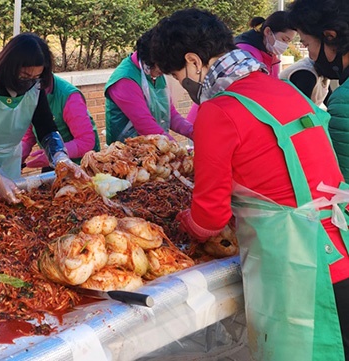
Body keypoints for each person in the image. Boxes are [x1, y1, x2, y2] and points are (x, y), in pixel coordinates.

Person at [151, 8, 349, 360]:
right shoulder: (285, 90)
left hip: (303, 268)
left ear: (195, 62)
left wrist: (180, 222)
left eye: (179, 77)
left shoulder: (219, 111)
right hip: (341, 245)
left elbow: (208, 218)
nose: (184, 87)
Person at [0, 33, 89, 204]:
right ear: (9, 68)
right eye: (24, 77)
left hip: (9, 163)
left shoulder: (35, 86)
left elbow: (46, 128)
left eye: (35, 78)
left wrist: (61, 158)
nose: (28, 84)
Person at [288, 0, 349, 181]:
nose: (310, 56)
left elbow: (342, 183)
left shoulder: (343, 100)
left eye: (307, 45)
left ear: (331, 37)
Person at [20, 37, 100, 171]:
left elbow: (86, 141)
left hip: (82, 166)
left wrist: (54, 153)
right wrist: (18, 157)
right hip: (52, 162)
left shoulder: (69, 97)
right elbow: (29, 133)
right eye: (24, 77)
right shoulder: (28, 91)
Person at [104, 28, 193, 145]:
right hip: (127, 152)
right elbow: (145, 125)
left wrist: (194, 132)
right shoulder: (124, 80)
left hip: (154, 146)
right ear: (150, 59)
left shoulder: (155, 73)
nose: (165, 71)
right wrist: (176, 147)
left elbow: (169, 113)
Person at [234, 11, 296, 78]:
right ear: (267, 31)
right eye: (284, 39)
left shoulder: (271, 55)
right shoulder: (245, 53)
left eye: (289, 41)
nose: (285, 45)